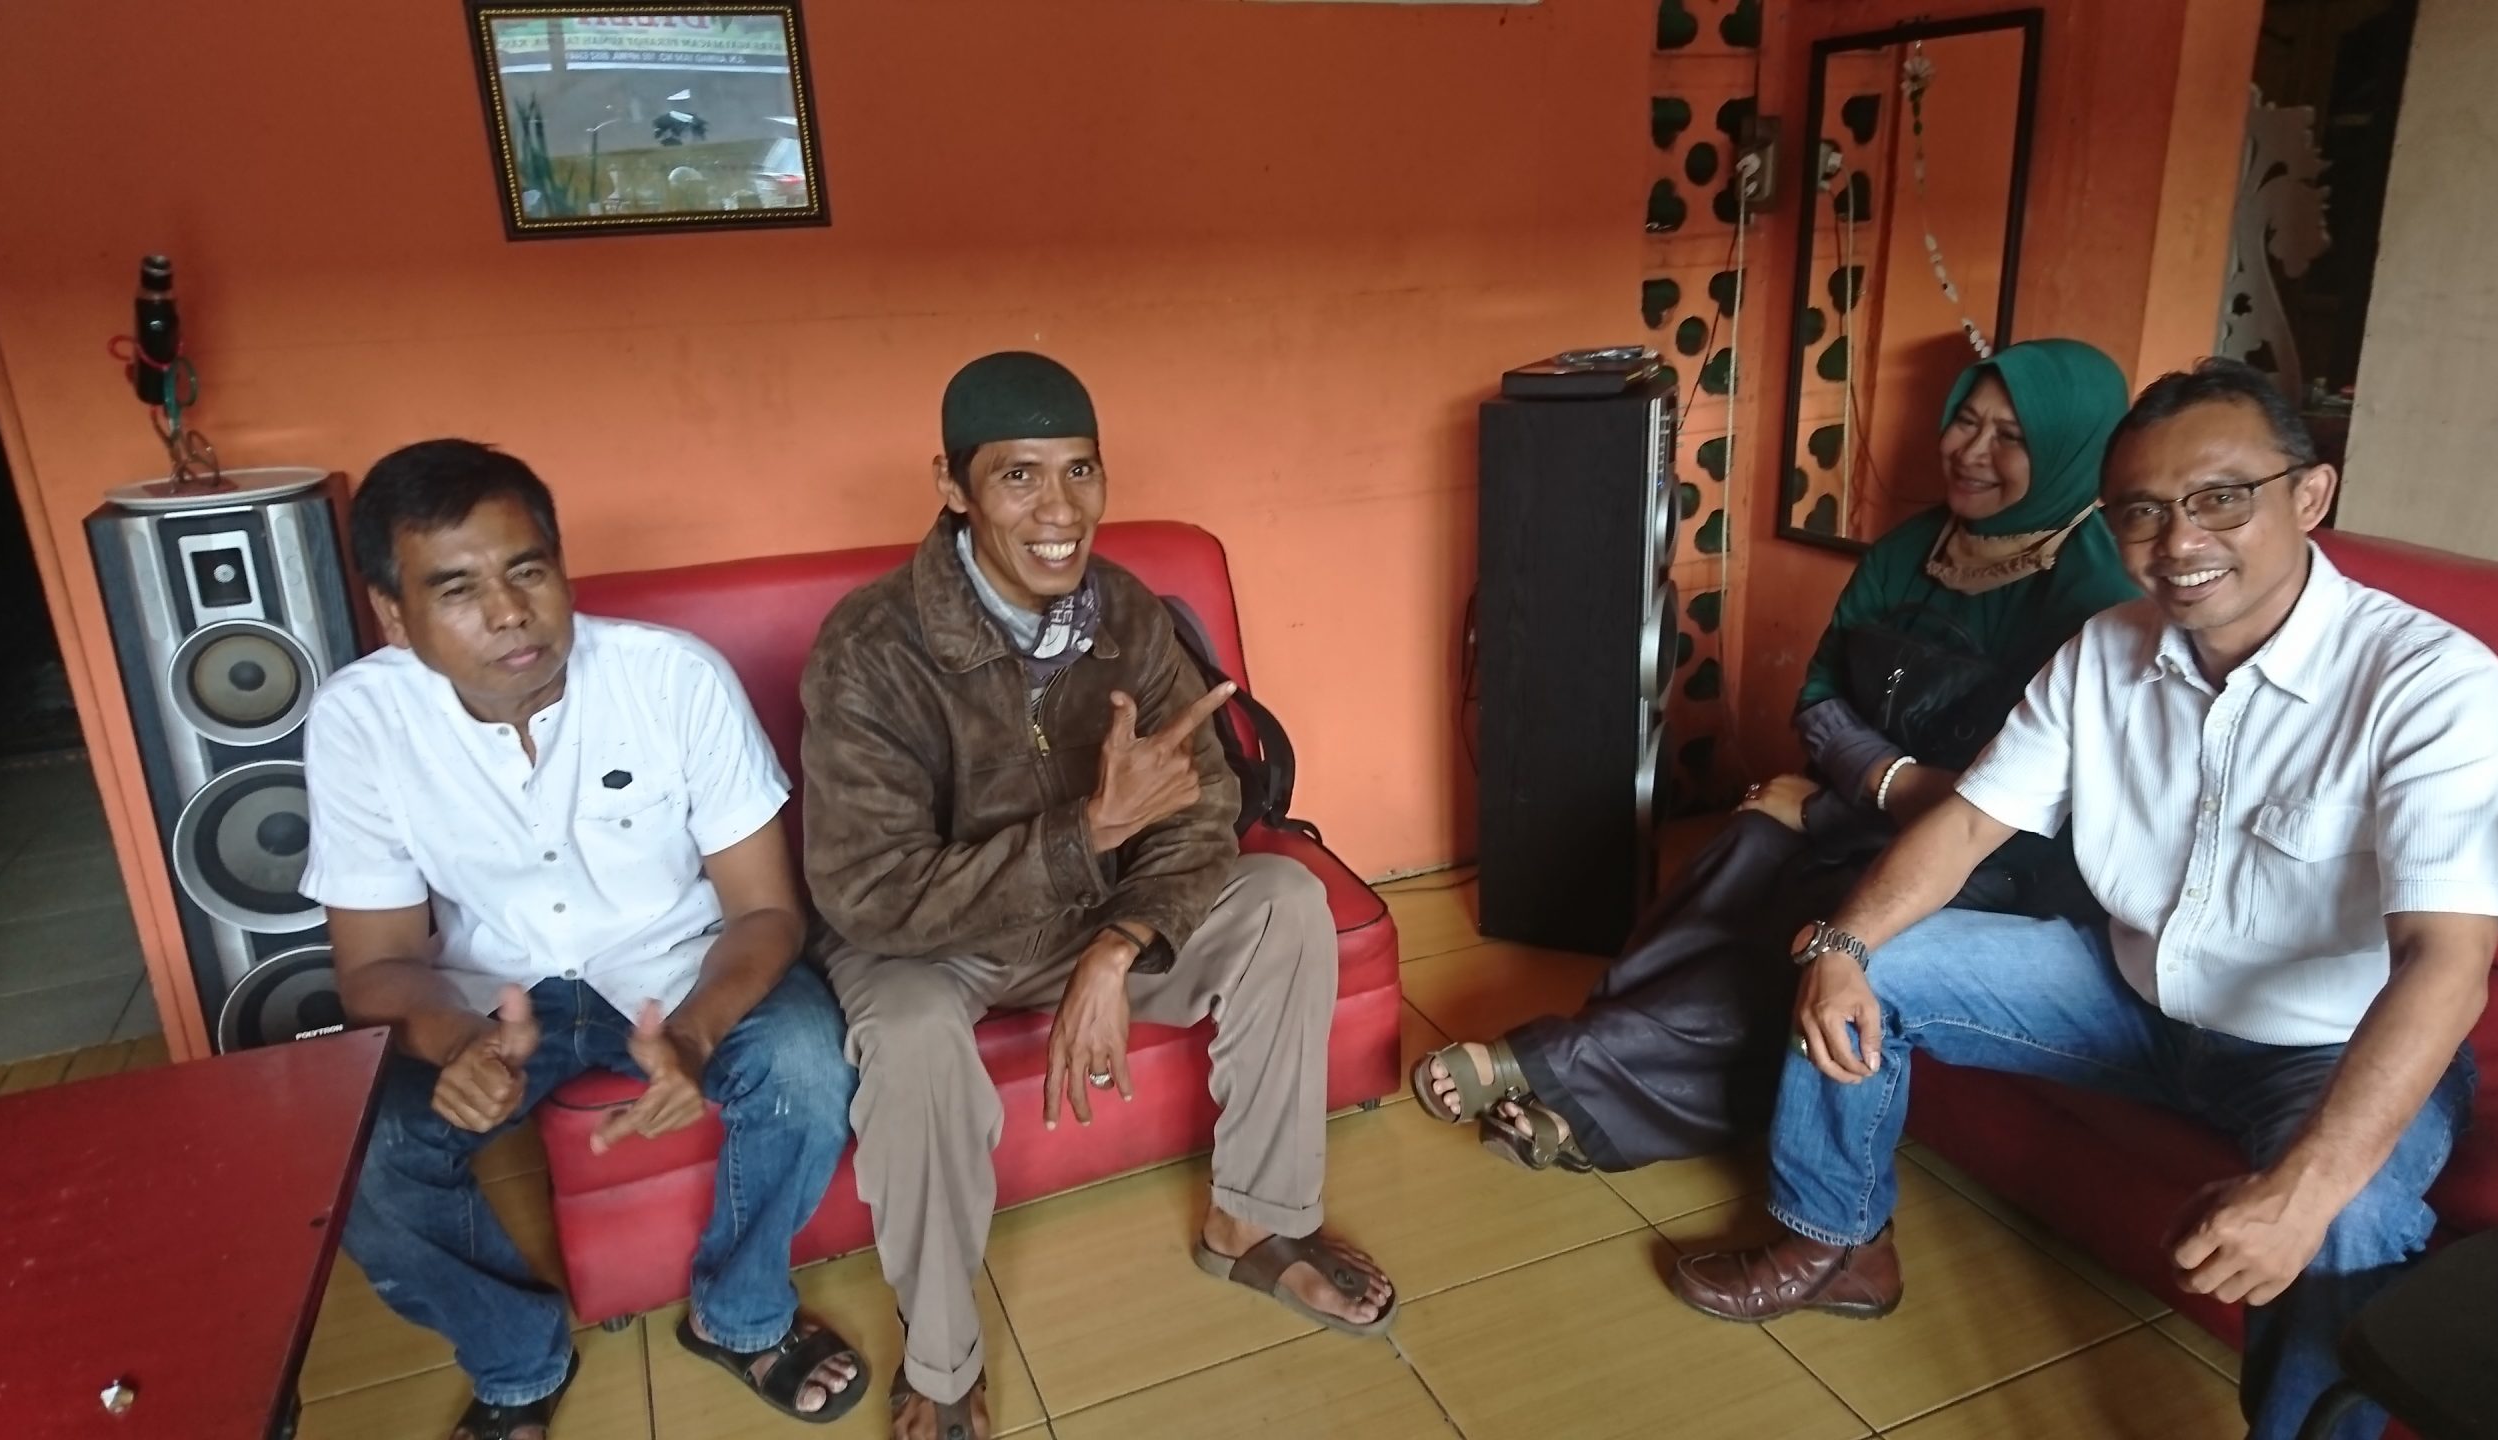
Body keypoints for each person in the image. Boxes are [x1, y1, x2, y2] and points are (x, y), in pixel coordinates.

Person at [1670, 360, 2498, 1440]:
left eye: (2220, 498)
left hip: (2322, 1045)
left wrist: (2306, 1188)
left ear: (2310, 495)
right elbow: (1970, 822)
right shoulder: (2107, 650)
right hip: (2129, 995)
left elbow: (2447, 960)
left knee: (2347, 1216)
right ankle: (1836, 1242)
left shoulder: (2429, 682)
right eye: (2141, 510)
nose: (2178, 540)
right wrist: (1844, 942)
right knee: (1867, 965)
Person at [799, 352, 1397, 1440]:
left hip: (1092, 912)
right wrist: (1088, 836)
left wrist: (1118, 943)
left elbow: (1205, 807)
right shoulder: (871, 646)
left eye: (1080, 470)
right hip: (930, 946)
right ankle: (941, 1363)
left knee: (1283, 902)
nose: (1059, 510)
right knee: (913, 1041)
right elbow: (869, 897)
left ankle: (1253, 1225)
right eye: (1018, 475)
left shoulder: (1122, 610)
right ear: (952, 486)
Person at [1413, 338, 2142, 1172]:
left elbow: (2029, 802)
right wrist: (1874, 785)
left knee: (1801, 934)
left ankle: (1565, 1070)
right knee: (1740, 854)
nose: (1971, 451)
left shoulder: (2102, 600)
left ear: (2072, 449)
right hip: (1860, 803)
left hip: (1991, 860)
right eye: (1965, 422)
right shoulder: (1913, 548)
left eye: (2010, 437)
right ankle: (1592, 1062)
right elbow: (1820, 691)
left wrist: (1871, 797)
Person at [304, 440, 868, 1440]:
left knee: (806, 1064)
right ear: (393, 613)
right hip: (488, 994)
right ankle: (519, 1358)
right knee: (363, 1158)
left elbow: (765, 911)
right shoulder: (359, 722)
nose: (509, 612)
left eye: (528, 570)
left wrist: (693, 1032)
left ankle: (739, 1315)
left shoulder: (672, 679)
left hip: (678, 967)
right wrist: (455, 1040)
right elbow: (374, 962)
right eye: (458, 589)